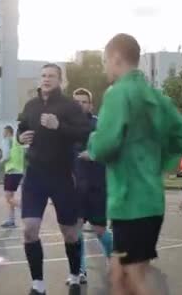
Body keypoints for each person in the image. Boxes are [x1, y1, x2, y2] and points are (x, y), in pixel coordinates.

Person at [88, 34, 182, 295]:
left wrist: (92, 142)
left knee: (132, 278)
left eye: (104, 61)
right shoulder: (155, 96)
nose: (104, 68)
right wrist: (159, 163)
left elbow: (104, 146)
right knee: (120, 275)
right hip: (151, 200)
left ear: (116, 58)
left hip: (129, 202)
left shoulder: (117, 94)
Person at [17, 63, 91, 295]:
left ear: (61, 80)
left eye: (51, 76)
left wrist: (59, 126)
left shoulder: (69, 106)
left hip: (61, 175)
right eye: (43, 75)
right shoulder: (31, 105)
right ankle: (38, 283)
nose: (46, 79)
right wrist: (21, 137)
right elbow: (21, 127)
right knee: (29, 229)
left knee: (69, 233)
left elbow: (84, 133)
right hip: (35, 175)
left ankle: (74, 274)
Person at [67, 88, 113, 285]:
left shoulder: (100, 126)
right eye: (76, 101)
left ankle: (115, 259)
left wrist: (94, 154)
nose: (79, 105)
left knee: (100, 230)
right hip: (74, 188)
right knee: (75, 231)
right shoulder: (65, 128)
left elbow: (112, 149)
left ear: (91, 105)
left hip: (96, 187)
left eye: (84, 102)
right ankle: (79, 271)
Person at [0, 125, 25, 228]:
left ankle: (25, 207)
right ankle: (11, 220)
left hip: (11, 171)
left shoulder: (7, 140)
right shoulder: (17, 141)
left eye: (4, 131)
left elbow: (6, 156)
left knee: (8, 197)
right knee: (11, 197)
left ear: (8, 132)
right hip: (19, 170)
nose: (3, 133)